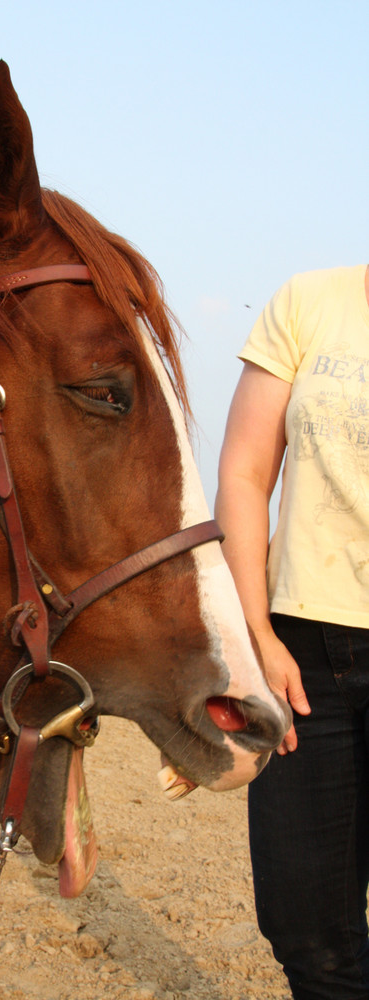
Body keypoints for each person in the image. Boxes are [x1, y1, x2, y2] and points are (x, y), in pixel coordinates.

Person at [215, 264, 369, 999]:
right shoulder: (309, 303)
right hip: (303, 657)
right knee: (305, 926)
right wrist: (255, 635)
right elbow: (245, 472)